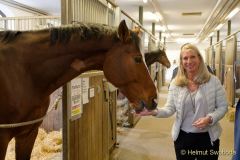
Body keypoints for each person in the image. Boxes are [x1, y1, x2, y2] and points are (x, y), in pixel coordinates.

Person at [141, 43, 228, 160]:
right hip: (183, 138)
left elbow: (223, 107)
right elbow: (170, 109)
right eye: (185, 58)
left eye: (193, 57)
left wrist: (210, 118)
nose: (189, 61)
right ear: (181, 62)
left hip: (208, 137)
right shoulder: (175, 83)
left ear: (199, 59)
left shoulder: (213, 81)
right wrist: (154, 111)